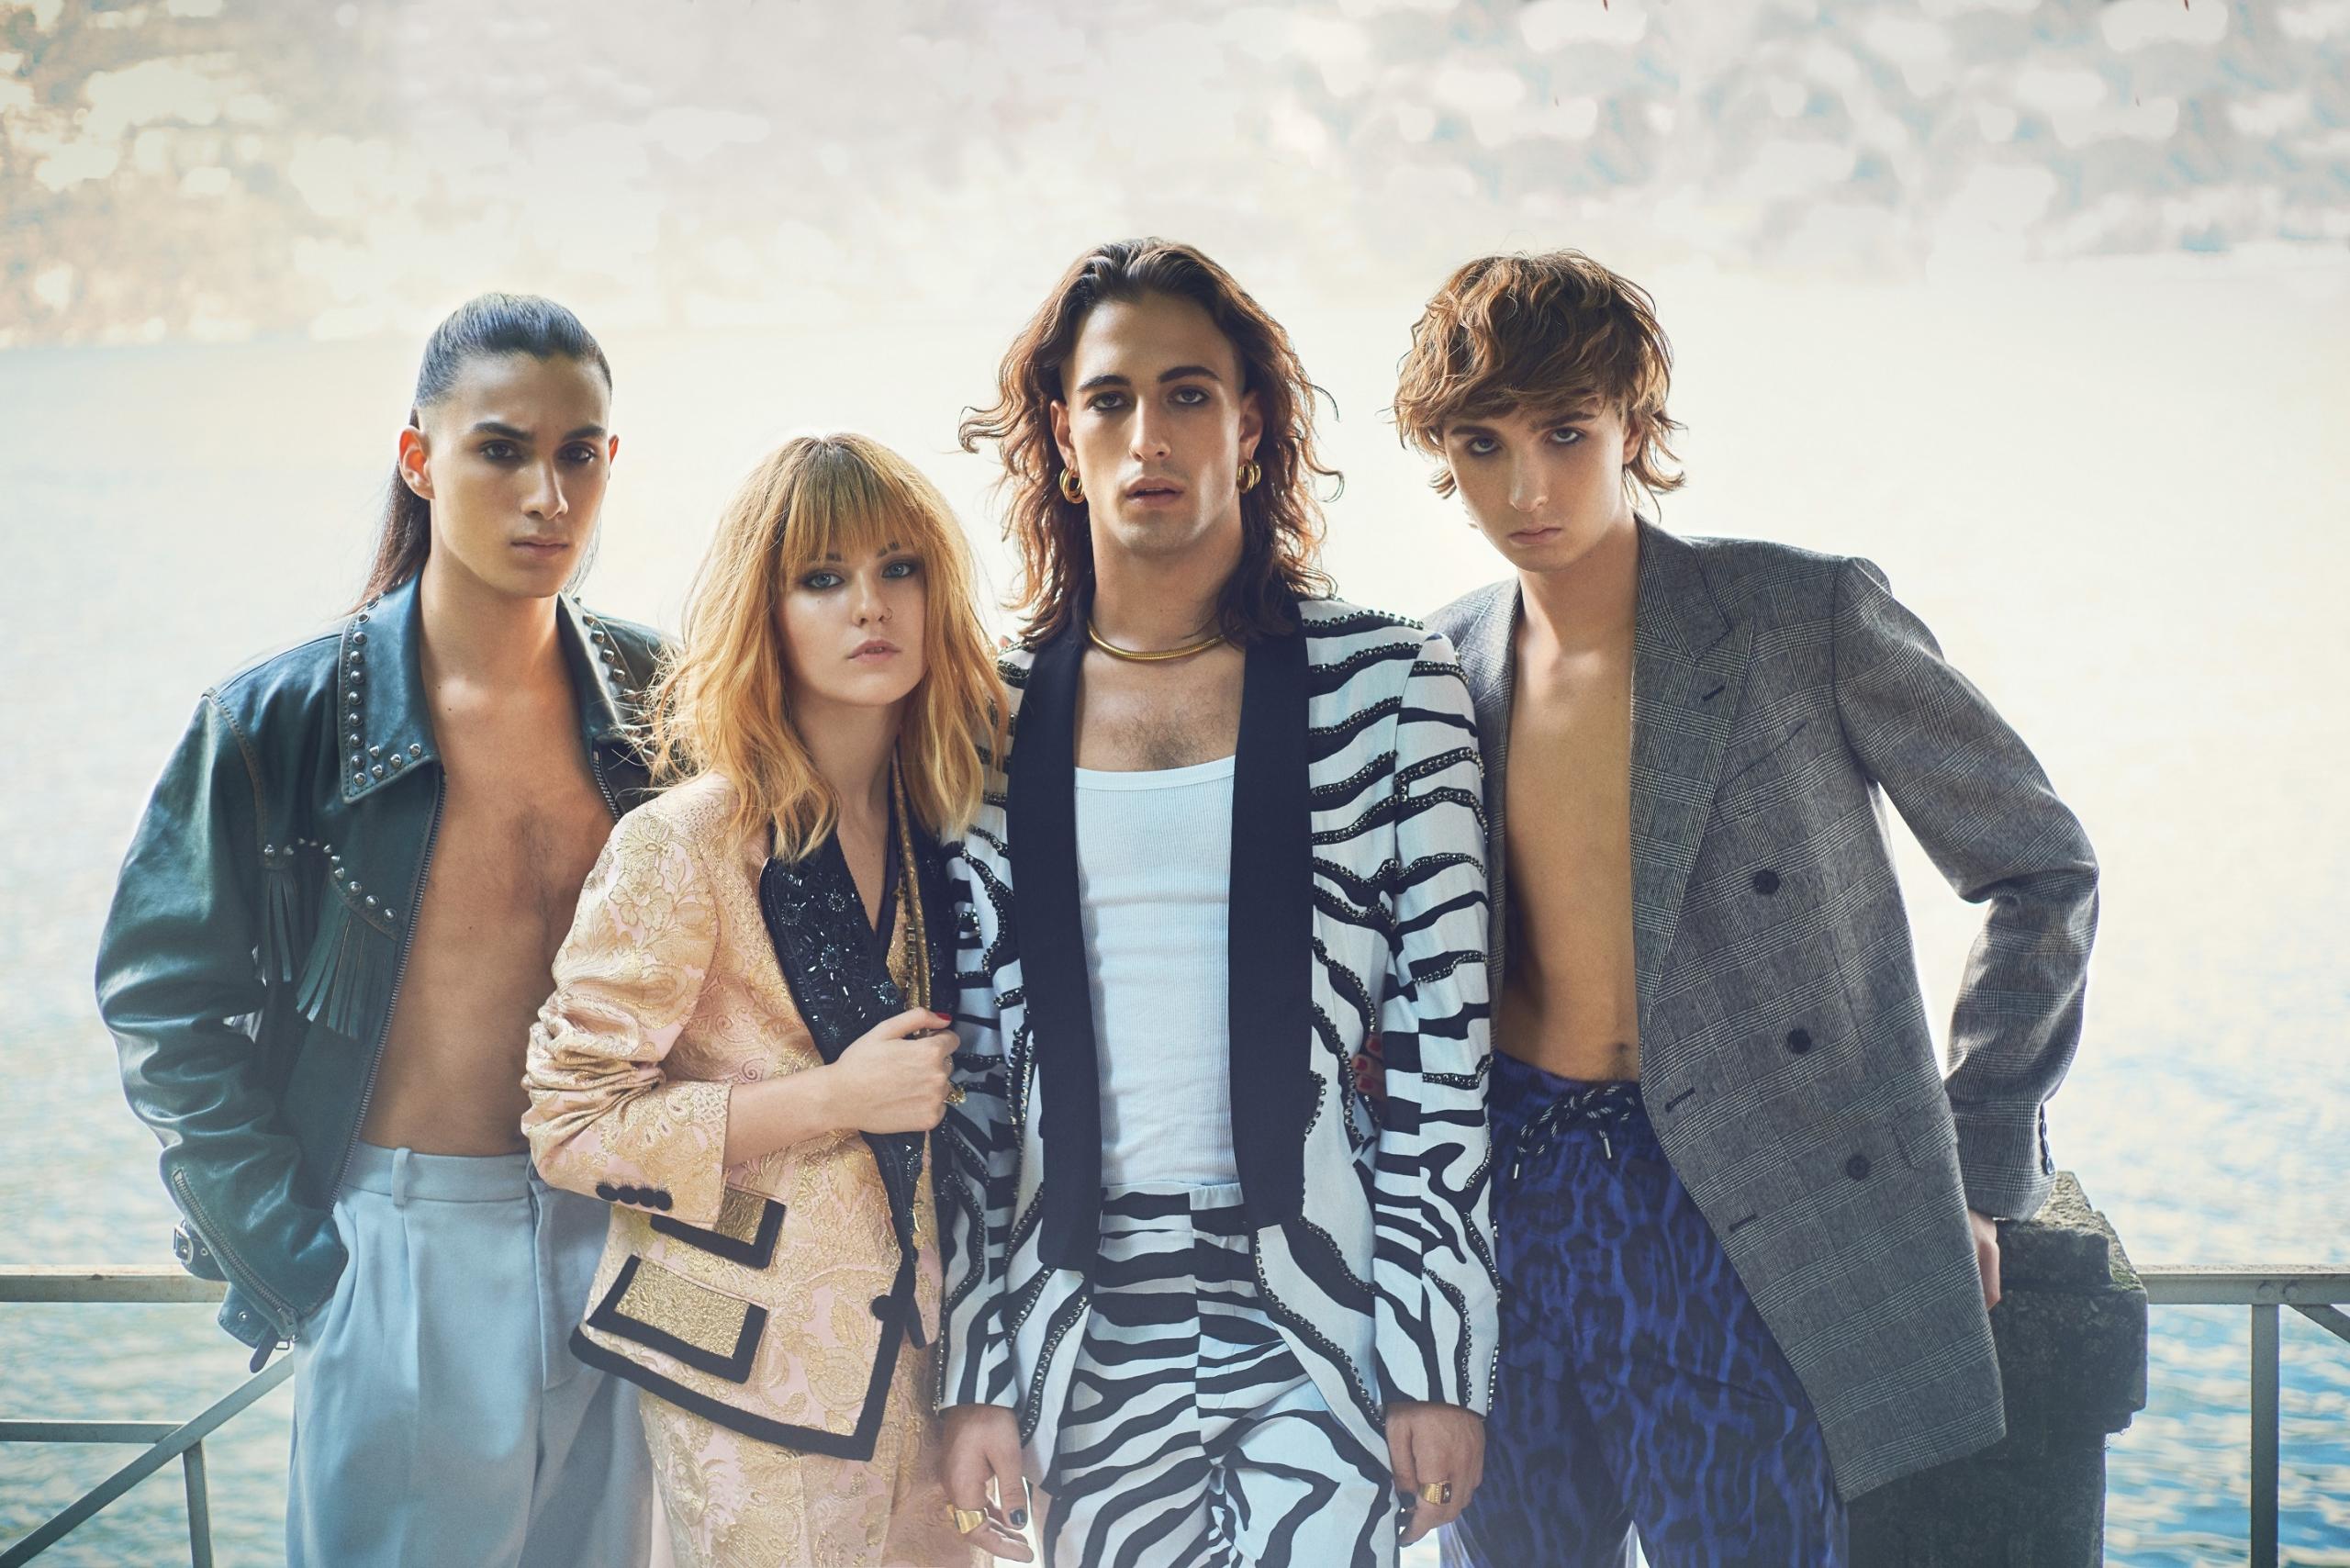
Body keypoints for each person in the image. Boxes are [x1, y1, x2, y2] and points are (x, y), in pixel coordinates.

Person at [1402, 250, 2101, 1566]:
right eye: (1483, 444)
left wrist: (1977, 1155)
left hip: (1737, 1203)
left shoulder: (1797, 614)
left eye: (1565, 433)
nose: (1527, 487)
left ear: (1634, 426)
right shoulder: (1435, 668)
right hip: (1513, 1205)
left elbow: (2040, 867)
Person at [935, 238, 1499, 1568]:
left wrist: (1439, 1356)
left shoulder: (1393, 686)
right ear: (1060, 441)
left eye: (1188, 394)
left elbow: (1444, 1051)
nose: (1150, 436)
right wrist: (975, 1372)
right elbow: (966, 1088)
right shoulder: (980, 717)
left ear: (1250, 427)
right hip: (1079, 1314)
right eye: (1110, 400)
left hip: (1322, 1304)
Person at [95, 293, 659, 1568]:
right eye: (501, 450)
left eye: (579, 454)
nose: (548, 496)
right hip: (403, 1242)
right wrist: (300, 1265)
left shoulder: (661, 700)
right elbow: (159, 998)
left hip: (621, 1235)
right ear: (420, 458)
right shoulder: (278, 720)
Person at [524, 431, 1012, 1568]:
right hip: (743, 1377)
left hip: (928, 1365)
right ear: (768, 611)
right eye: (823, 577)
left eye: (899, 568)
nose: (870, 605)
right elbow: (570, 1126)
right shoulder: (684, 842)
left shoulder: (949, 820)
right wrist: (832, 1097)